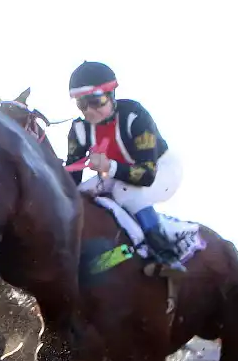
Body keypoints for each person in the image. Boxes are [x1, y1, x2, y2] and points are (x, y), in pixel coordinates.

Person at [65, 61, 187, 277]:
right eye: (82, 105)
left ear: (112, 95)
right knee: (81, 196)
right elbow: (72, 180)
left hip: (162, 170)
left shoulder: (135, 116)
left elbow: (147, 175)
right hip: (118, 176)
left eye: (97, 101)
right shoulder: (79, 129)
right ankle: (104, 256)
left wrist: (108, 166)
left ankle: (165, 254)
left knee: (124, 191)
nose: (90, 112)